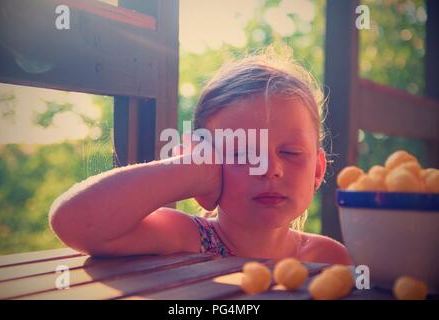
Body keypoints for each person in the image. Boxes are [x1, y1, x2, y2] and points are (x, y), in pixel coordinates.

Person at [49, 47, 353, 265]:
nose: (270, 168)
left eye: (290, 152)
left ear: (317, 170)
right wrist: (189, 172)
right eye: (241, 152)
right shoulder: (187, 240)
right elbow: (73, 221)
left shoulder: (328, 258)